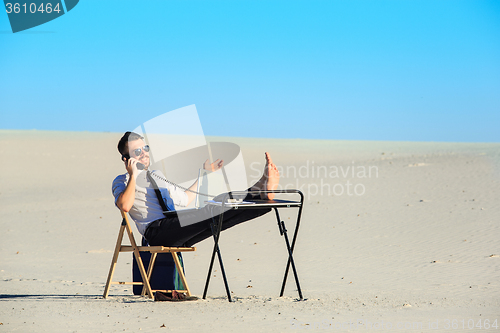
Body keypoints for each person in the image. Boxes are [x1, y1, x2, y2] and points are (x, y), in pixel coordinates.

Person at [112, 131, 280, 247]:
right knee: (213, 210)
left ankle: (259, 192)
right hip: (157, 232)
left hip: (174, 226)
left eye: (145, 148)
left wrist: (204, 174)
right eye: (138, 151)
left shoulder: (156, 175)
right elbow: (125, 206)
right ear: (126, 159)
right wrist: (133, 175)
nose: (144, 153)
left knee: (222, 214)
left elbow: (185, 199)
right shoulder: (122, 181)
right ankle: (259, 190)